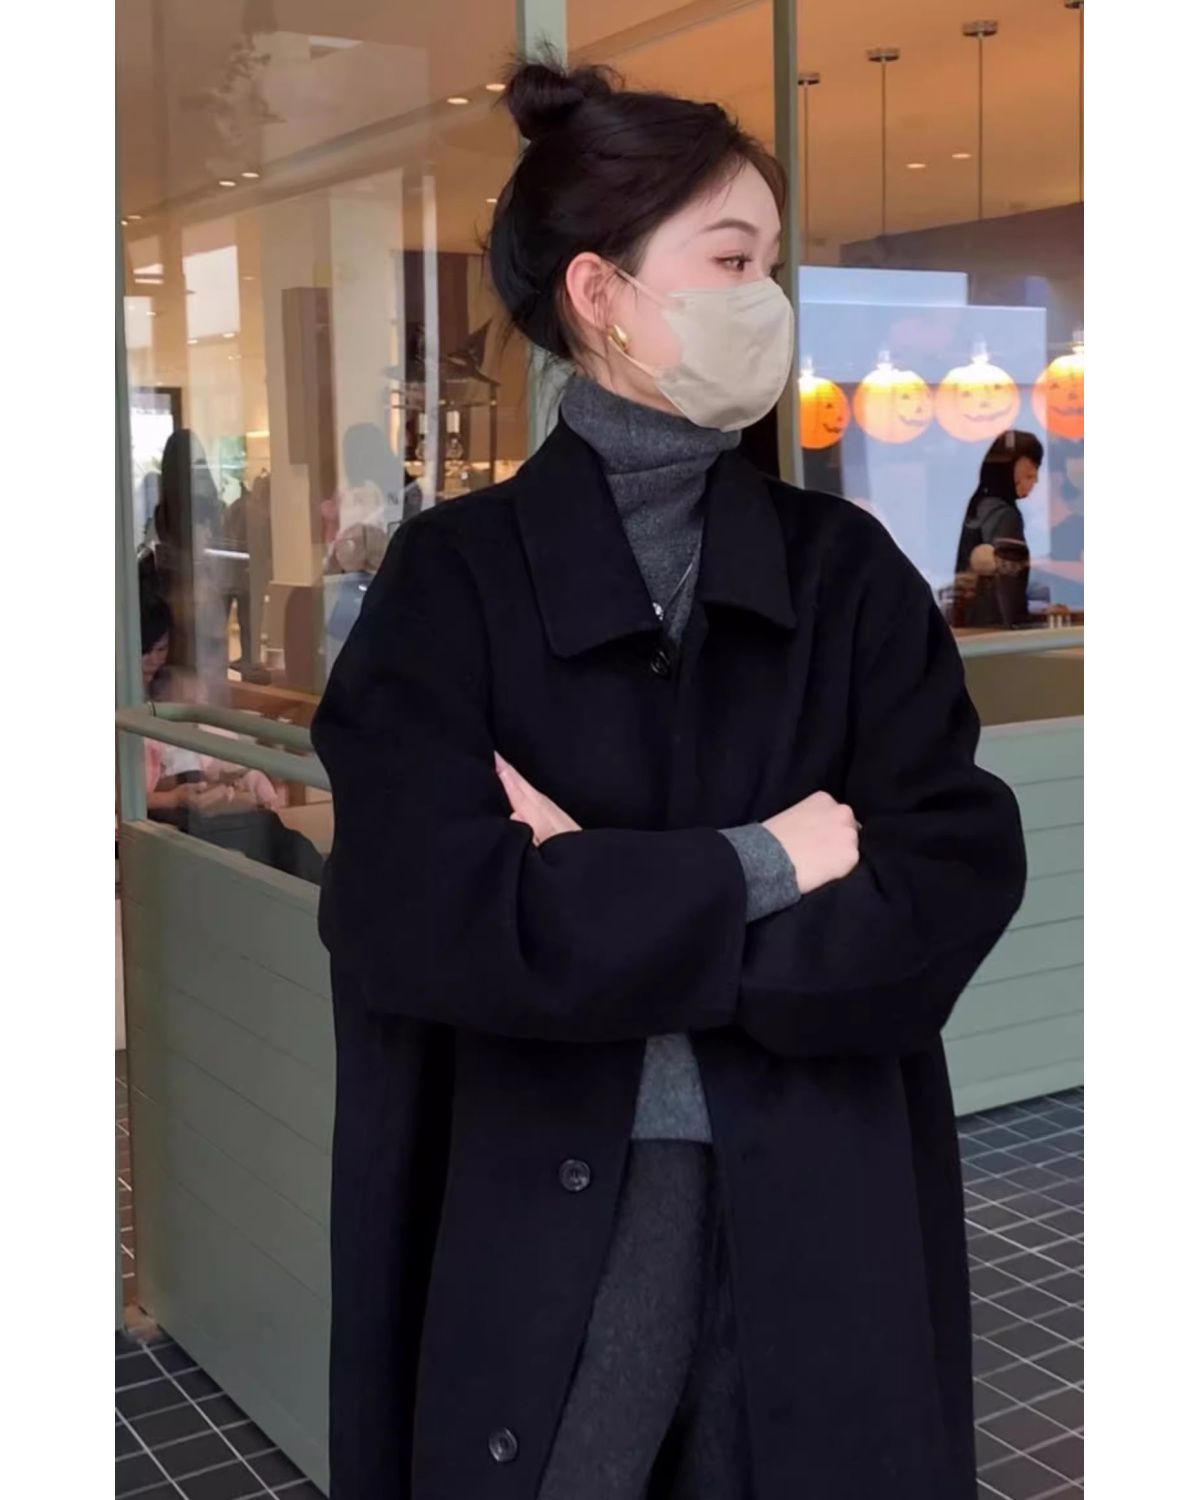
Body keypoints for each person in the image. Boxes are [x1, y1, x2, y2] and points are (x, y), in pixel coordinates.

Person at [312, 58, 1025, 1500]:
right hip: (541, 1195)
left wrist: (589, 897)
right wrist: (763, 866)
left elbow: (949, 873)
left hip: (817, 1197)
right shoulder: (453, 585)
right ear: (603, 292)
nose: (768, 297)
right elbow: (414, 916)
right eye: (733, 261)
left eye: (770, 263)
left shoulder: (844, 576)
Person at [951, 430, 1045, 630]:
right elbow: (1008, 589)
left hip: (974, 626)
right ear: (1006, 470)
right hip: (995, 630)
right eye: (1029, 473)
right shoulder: (1004, 514)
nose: (1035, 480)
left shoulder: (980, 505)